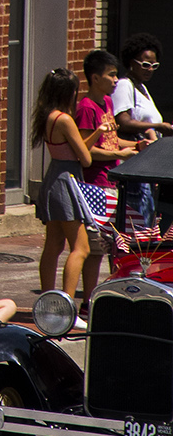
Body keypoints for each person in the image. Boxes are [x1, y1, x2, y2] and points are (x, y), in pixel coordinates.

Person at [33, 68, 106, 319]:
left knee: (53, 245)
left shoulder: (48, 116)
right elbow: (85, 159)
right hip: (67, 182)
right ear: (69, 92)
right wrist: (97, 135)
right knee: (81, 248)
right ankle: (66, 309)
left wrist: (97, 132)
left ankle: (47, 303)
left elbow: (73, 149)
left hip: (53, 178)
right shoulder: (65, 119)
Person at [76, 52, 131, 312]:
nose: (116, 80)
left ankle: (112, 296)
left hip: (112, 181)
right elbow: (87, 150)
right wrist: (120, 154)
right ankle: (88, 302)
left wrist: (137, 147)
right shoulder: (86, 108)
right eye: (111, 75)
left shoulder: (107, 102)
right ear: (95, 78)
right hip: (95, 185)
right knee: (96, 247)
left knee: (115, 244)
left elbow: (111, 141)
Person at [110, 35, 167, 229]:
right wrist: (159, 126)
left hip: (147, 164)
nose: (149, 69)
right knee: (137, 222)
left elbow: (148, 124)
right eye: (145, 64)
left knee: (147, 218)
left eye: (154, 65)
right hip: (134, 164)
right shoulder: (124, 85)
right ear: (131, 62)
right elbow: (123, 122)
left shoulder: (142, 88)